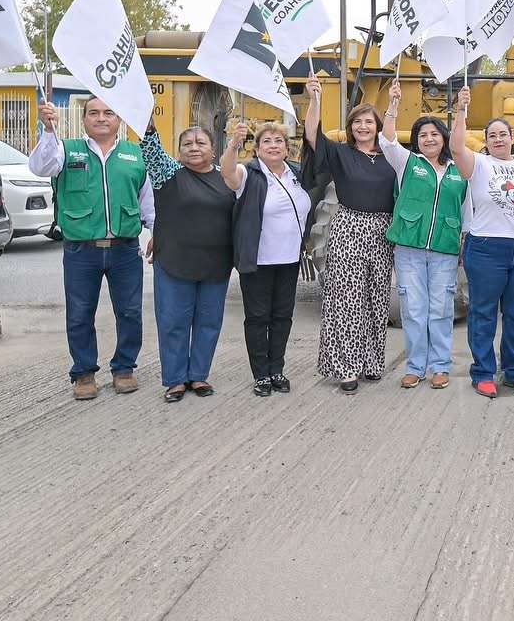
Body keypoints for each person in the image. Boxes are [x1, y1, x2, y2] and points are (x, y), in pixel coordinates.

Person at [30, 96, 155, 401]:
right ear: (84, 118)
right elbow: (40, 166)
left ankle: (124, 368)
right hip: (81, 251)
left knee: (130, 312)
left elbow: (147, 201)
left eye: (108, 112)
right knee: (80, 313)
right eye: (94, 113)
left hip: (125, 250)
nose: (101, 118)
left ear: (119, 119)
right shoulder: (65, 150)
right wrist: (48, 130)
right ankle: (84, 373)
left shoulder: (135, 154)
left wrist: (157, 231)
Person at [451, 86, 514, 398]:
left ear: (511, 136)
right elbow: (456, 149)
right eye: (491, 135)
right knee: (484, 314)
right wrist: (461, 110)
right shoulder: (478, 164)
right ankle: (483, 373)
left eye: (502, 134)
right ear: (486, 140)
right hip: (486, 249)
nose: (498, 139)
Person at [301, 78, 398, 393]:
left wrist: (393, 103)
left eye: (368, 122)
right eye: (357, 122)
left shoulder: (391, 157)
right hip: (349, 228)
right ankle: (346, 368)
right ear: (350, 127)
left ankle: (371, 363)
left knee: (376, 299)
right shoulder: (341, 153)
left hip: (382, 231)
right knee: (347, 300)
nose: (362, 127)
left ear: (377, 126)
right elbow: (312, 135)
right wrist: (314, 100)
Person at [381, 78, 470, 390]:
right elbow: (388, 141)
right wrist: (393, 105)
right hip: (409, 250)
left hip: (445, 249)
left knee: (441, 309)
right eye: (422, 135)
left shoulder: (460, 171)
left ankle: (440, 367)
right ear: (416, 141)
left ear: (444, 138)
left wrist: (462, 109)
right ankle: (416, 366)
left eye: (434, 134)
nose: (429, 139)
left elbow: (467, 210)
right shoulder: (407, 163)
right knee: (414, 310)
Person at [141, 122, 235, 402]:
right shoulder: (168, 173)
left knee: (209, 321)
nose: (194, 148)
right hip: (174, 260)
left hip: (216, 263)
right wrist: (148, 126)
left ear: (213, 149)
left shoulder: (227, 177)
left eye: (200, 143)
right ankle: (175, 379)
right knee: (173, 321)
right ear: (179, 150)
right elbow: (151, 150)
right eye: (187, 144)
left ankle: (199, 375)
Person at [222, 118, 311, 397]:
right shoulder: (249, 174)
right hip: (258, 260)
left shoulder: (296, 173)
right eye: (267, 141)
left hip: (289, 259)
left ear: (287, 147)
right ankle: (261, 374)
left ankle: (277, 370)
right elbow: (227, 172)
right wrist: (234, 144)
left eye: (279, 141)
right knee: (258, 318)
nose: (273, 146)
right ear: (257, 148)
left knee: (283, 317)